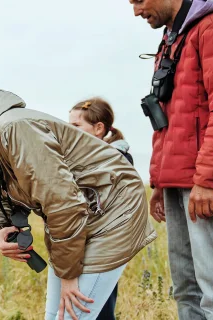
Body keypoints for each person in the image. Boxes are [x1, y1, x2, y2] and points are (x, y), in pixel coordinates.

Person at [0, 79, 157, 320]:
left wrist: (69, 275)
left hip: (111, 213)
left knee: (70, 315)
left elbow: (63, 202)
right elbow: (12, 193)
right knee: (55, 315)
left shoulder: (12, 129)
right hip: (81, 215)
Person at [129, 0, 213, 319]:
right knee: (187, 290)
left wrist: (208, 179)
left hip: (210, 186)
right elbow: (168, 119)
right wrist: (161, 182)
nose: (135, 11)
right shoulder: (175, 37)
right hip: (181, 182)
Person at [44, 97, 135, 320]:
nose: (68, 131)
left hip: (102, 245)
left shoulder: (117, 161)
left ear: (98, 128)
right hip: (76, 241)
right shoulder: (75, 159)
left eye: (76, 126)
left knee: (94, 308)